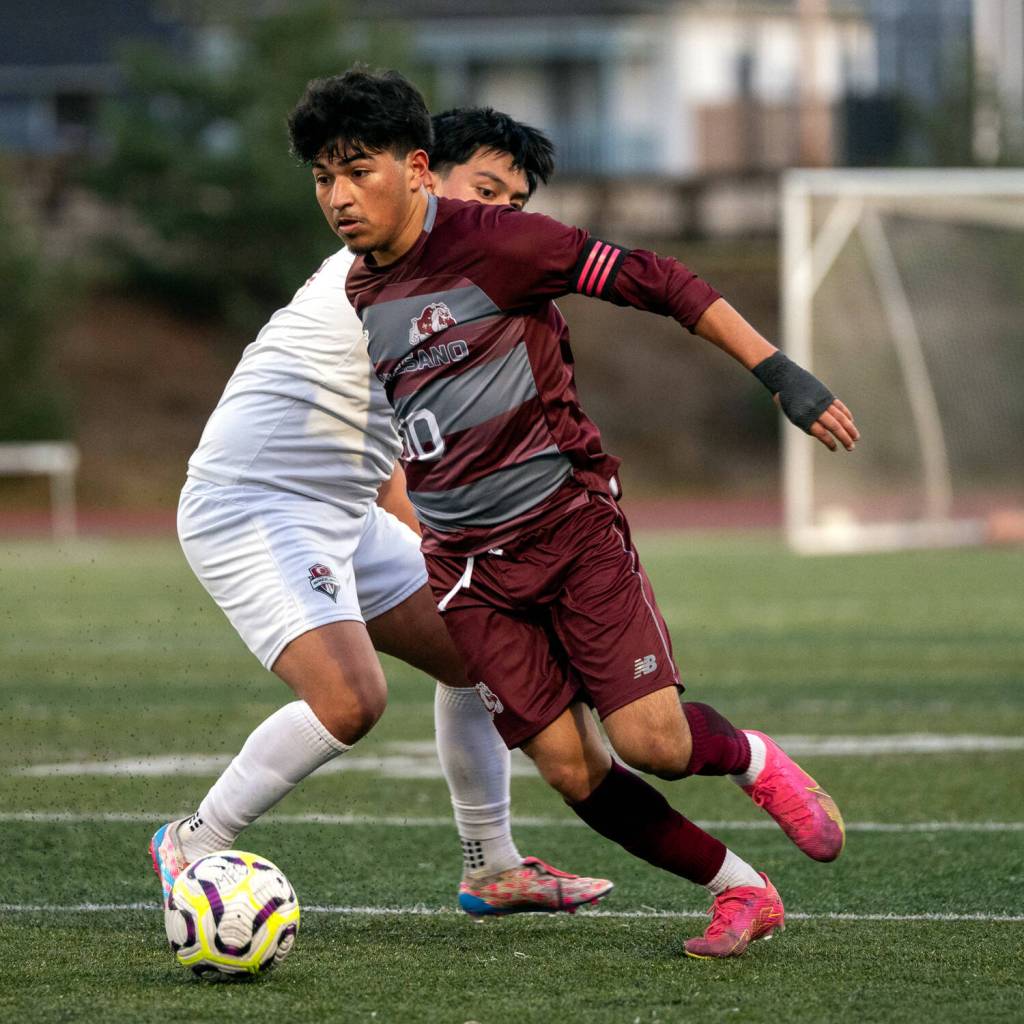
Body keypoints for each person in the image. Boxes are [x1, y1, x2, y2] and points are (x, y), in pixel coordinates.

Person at [291, 66, 859, 959]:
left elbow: (660, 279)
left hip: (568, 531)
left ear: (415, 168)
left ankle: (755, 760)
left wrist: (781, 374)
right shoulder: (364, 286)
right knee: (570, 768)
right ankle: (740, 890)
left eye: (356, 171)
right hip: (470, 571)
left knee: (655, 744)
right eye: (324, 177)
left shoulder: (501, 244)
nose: (338, 196)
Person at [149, 106, 613, 919]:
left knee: (476, 651)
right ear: (425, 176)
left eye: (514, 201)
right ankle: (193, 840)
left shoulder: (450, 276)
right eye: (487, 189)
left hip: (338, 506)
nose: (501, 213)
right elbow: (416, 459)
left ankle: (490, 865)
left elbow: (407, 445)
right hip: (254, 504)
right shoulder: (387, 277)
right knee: (350, 701)